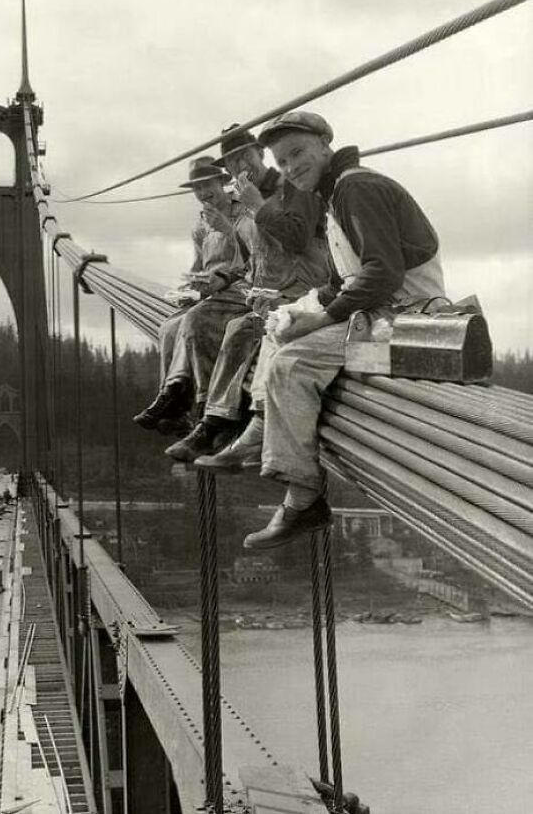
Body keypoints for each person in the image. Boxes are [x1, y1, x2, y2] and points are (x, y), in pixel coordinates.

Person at [235, 111, 444, 550]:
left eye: (298, 153)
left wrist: (322, 319)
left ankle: (302, 500)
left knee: (291, 366)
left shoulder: (355, 189)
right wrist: (295, 309)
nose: (291, 167)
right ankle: (260, 428)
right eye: (282, 161)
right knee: (281, 323)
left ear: (325, 145)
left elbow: (382, 274)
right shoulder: (336, 194)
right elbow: (340, 280)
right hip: (376, 308)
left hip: (404, 316)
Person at [164, 123, 329, 462]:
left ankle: (214, 424)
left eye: (245, 157)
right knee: (201, 325)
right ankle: (208, 419)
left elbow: (297, 240)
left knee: (237, 329)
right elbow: (256, 253)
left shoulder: (292, 187)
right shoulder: (244, 196)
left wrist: (256, 207)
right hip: (267, 293)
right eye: (233, 164)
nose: (241, 168)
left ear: (260, 153)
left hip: (303, 293)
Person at [133, 156, 254, 434]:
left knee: (194, 320)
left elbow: (256, 260)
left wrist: (228, 230)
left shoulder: (245, 214)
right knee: (168, 327)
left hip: (240, 292)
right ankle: (170, 395)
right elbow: (199, 265)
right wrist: (189, 288)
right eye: (196, 188)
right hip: (211, 295)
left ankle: (198, 402)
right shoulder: (200, 225)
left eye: (207, 185)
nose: (202, 193)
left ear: (222, 183)